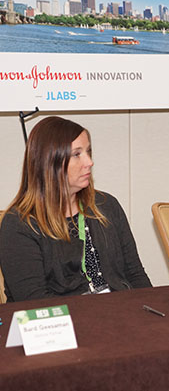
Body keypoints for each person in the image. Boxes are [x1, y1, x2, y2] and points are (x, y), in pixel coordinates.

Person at [0, 116, 151, 302]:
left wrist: (151, 309)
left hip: (118, 311)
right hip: (62, 318)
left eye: (88, 152)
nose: (89, 162)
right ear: (50, 162)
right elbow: (34, 301)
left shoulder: (107, 205)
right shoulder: (20, 224)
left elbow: (135, 275)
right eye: (77, 154)